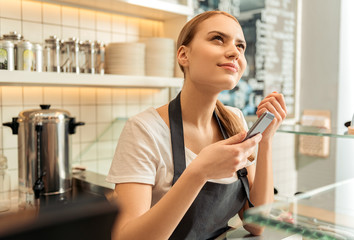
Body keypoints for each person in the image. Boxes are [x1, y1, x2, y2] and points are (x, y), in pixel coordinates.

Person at [106, 10, 287, 240]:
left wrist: (267, 140)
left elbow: (256, 224)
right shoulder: (144, 130)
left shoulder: (234, 120)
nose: (234, 52)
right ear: (184, 55)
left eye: (240, 46)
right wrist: (199, 172)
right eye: (217, 39)